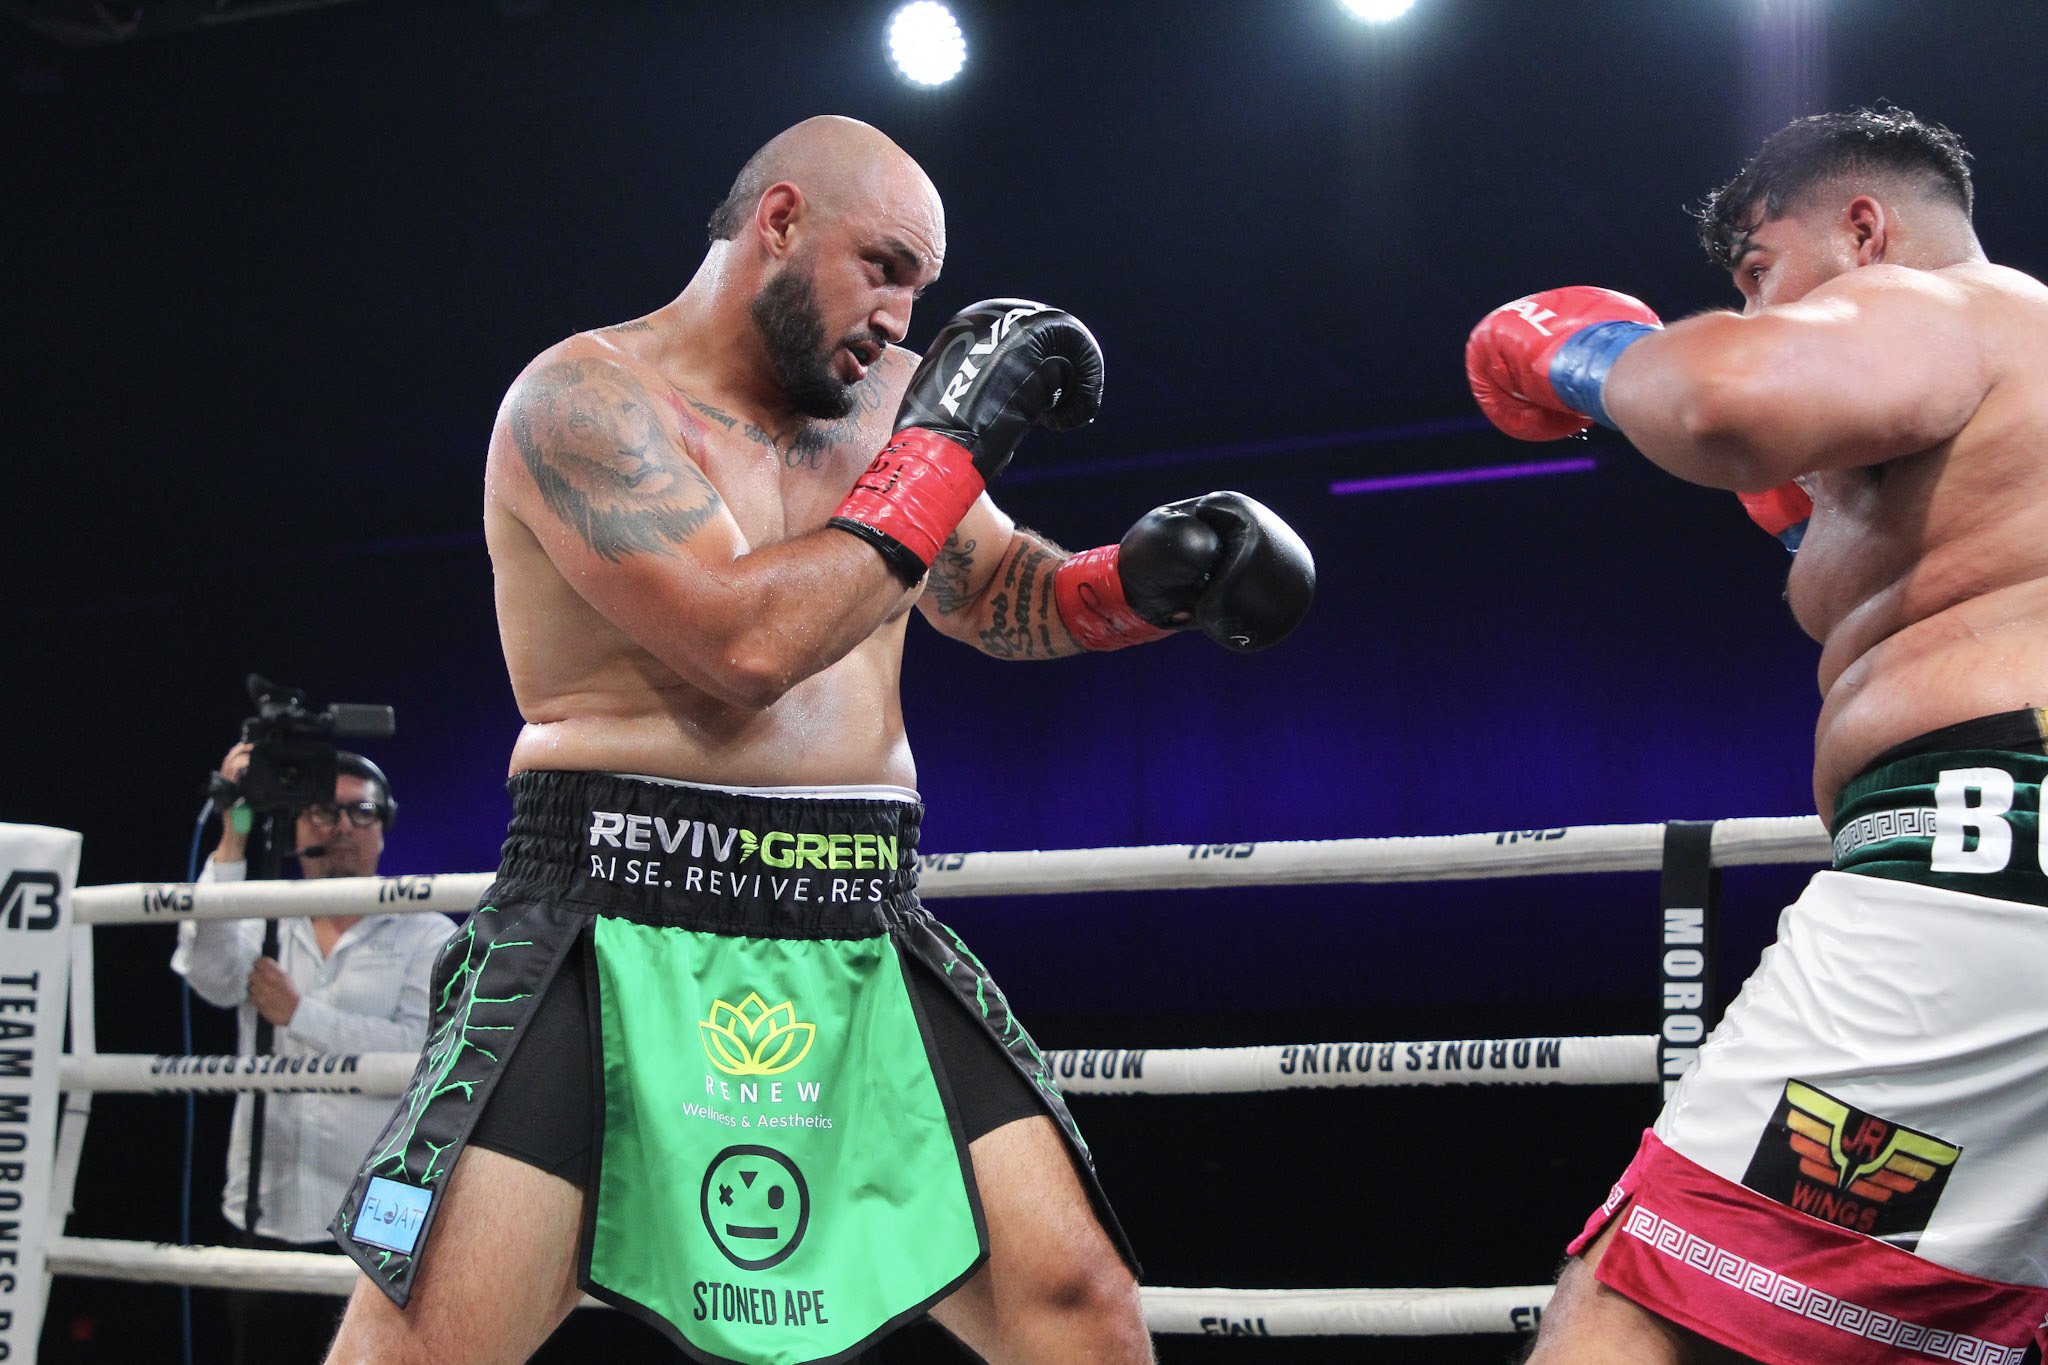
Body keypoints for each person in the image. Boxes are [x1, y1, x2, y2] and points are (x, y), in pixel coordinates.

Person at [322, 115, 1313, 1365]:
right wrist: (943, 451)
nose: (902, 320)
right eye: (886, 268)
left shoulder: (889, 412)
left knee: (1080, 1309)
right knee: (425, 1346)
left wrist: (1138, 590)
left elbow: (990, 592)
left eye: (923, 288)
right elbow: (745, 646)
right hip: (609, 910)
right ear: (779, 222)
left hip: (851, 914)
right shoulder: (582, 402)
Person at [1466, 105, 2048, 1363]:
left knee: (1637, 1312)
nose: (1750, 302)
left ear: (1860, 228)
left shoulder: (1943, 301)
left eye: (1755, 270)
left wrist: (1579, 352)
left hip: (1973, 875)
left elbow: (1720, 398)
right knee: (1937, 1335)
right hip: (2007, 897)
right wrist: (1809, 528)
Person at [172, 739, 456, 1364]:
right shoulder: (262, 916)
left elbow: (422, 1057)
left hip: (386, 1209)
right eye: (326, 811)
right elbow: (206, 969)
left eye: (364, 812)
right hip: (265, 1196)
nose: (346, 827)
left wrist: (299, 1014)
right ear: (297, 824)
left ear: (385, 827)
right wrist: (236, 828)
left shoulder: (428, 930)